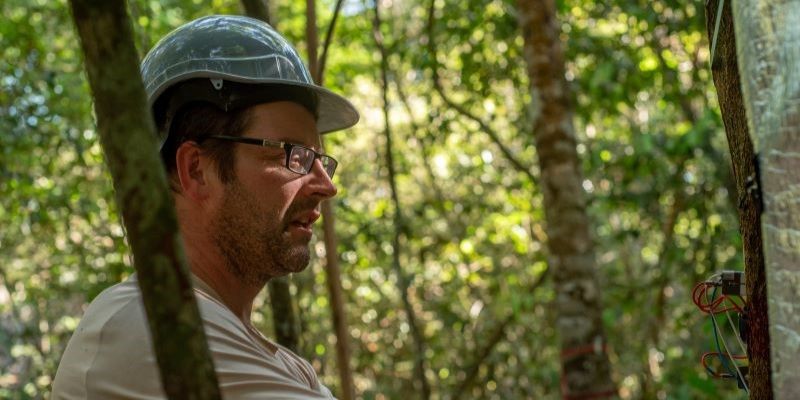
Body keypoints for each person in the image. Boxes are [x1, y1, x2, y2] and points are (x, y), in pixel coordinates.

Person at [51, 15, 358, 399]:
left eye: (319, 159)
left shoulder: (282, 364)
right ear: (196, 170)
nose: (326, 185)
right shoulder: (147, 325)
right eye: (291, 154)